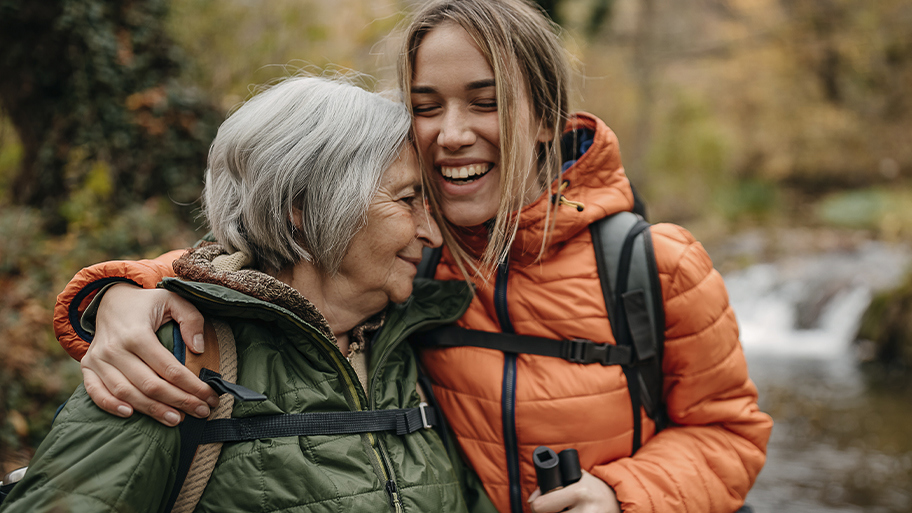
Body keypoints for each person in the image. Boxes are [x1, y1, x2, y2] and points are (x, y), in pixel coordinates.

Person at [51, 1, 774, 512]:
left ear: (547, 116)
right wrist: (124, 290)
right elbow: (265, 254)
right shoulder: (405, 255)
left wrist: (624, 494)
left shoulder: (655, 265)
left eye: (485, 102)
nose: (451, 133)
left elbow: (731, 434)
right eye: (426, 105)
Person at [4, 75, 496, 512]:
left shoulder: (420, 351)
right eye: (408, 199)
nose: (432, 232)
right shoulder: (172, 363)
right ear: (303, 206)